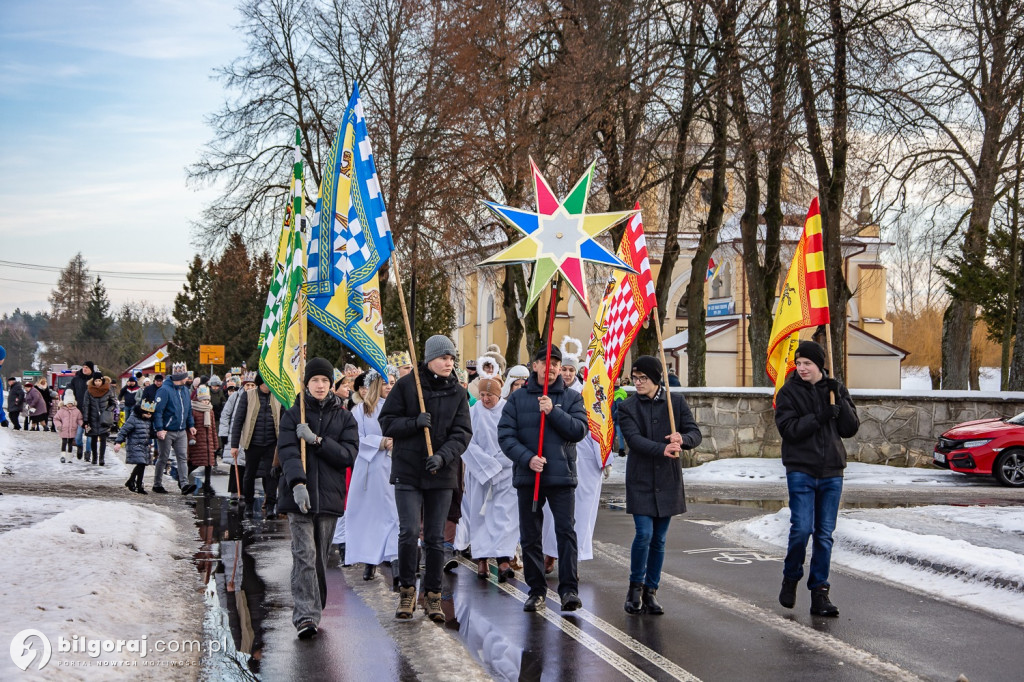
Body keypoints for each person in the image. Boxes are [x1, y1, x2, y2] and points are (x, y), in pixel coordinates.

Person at [379, 335, 472, 622]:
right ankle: (407, 590)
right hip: (408, 470)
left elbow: (462, 433)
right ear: (430, 358)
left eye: (452, 358)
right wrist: (413, 423)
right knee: (408, 532)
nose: (449, 363)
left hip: (441, 474)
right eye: (444, 357)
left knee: (434, 538)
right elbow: (387, 421)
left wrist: (443, 457)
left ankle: (433, 596)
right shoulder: (408, 386)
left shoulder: (457, 392)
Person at [498, 344, 588, 613]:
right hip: (530, 477)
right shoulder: (518, 398)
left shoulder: (571, 398)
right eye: (545, 363)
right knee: (530, 535)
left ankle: (569, 590)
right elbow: (506, 436)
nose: (551, 369)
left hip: (561, 477)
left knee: (565, 533)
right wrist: (527, 458)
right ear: (534, 366)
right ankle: (536, 591)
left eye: (556, 364)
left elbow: (578, 430)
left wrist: (553, 411)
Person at [775, 340, 859, 617]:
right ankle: (791, 576)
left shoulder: (834, 389)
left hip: (832, 470)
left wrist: (841, 400)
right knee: (801, 528)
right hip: (801, 469)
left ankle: (820, 592)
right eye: (798, 363)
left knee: (824, 534)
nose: (801, 368)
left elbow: (849, 429)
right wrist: (820, 416)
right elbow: (789, 429)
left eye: (807, 363)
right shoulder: (788, 392)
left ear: (820, 365)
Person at [277, 357, 359, 639]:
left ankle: (314, 605)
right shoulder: (292, 415)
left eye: (325, 380)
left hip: (329, 498)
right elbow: (287, 451)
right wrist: (297, 483)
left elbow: (348, 455)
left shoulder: (345, 417)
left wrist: (317, 441)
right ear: (306, 383)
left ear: (331, 383)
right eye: (315, 380)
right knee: (304, 556)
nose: (320, 385)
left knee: (320, 558)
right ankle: (305, 616)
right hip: (298, 496)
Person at [617, 355, 702, 615]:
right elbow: (634, 439)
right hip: (641, 478)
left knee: (660, 538)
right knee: (644, 533)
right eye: (635, 378)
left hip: (667, 479)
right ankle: (634, 587)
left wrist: (683, 438)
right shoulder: (628, 406)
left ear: (656, 379)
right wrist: (662, 448)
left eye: (643, 378)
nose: (638, 383)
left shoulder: (675, 402)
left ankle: (651, 590)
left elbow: (694, 433)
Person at [542, 338, 603, 572]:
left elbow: (598, 426)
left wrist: (603, 457)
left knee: (580, 511)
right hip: (557, 458)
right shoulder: (549, 391)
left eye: (570, 370)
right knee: (552, 512)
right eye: (563, 369)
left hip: (585, 460)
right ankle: (550, 552)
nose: (566, 373)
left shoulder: (587, 393)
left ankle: (572, 561)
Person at [460, 376, 519, 581]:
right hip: (479, 475)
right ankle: (482, 559)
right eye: (482, 395)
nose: (485, 399)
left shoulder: (508, 410)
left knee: (505, 517)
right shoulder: (472, 412)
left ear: (498, 394)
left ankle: (503, 560)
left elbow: (514, 438)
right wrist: (487, 465)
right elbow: (465, 440)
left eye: (490, 395)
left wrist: (499, 462)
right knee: (480, 516)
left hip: (505, 473)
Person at [345, 366, 400, 582]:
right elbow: (355, 438)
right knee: (372, 517)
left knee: (395, 517)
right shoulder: (360, 411)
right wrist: (381, 442)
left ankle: (396, 564)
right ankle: (369, 560)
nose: (389, 386)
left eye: (393, 383)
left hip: (396, 468)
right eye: (385, 382)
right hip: (370, 470)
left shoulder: (401, 407)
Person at [230, 372, 282, 516]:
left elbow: (283, 419)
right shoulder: (247, 395)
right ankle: (248, 504)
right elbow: (238, 421)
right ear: (260, 382)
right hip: (252, 443)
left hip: (272, 442)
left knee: (271, 474)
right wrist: (234, 445)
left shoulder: (278, 396)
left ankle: (271, 505)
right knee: (249, 475)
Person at [153, 364, 198, 494]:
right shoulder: (164, 390)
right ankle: (157, 484)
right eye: (186, 376)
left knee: (182, 457)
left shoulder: (184, 390)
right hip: (167, 430)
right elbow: (158, 412)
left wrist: (191, 425)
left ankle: (184, 485)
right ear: (181, 377)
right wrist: (159, 429)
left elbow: (188, 410)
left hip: (181, 430)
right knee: (163, 457)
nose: (187, 379)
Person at [113, 399, 157, 494]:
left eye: (151, 414)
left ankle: (132, 481)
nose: (149, 416)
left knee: (142, 464)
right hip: (134, 445)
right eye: (147, 413)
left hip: (144, 445)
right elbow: (123, 431)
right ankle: (138, 484)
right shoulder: (133, 419)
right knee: (141, 463)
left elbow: (150, 433)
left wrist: (158, 434)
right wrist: (118, 442)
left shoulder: (148, 420)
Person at [221, 376, 248, 504]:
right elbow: (225, 414)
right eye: (247, 385)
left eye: (252, 385)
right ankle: (234, 491)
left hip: (251, 433)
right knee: (236, 462)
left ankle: (246, 491)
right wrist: (224, 433)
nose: (250, 388)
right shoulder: (236, 396)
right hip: (236, 432)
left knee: (249, 464)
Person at [188, 385, 219, 495]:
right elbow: (190, 426)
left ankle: (207, 484)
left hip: (208, 441)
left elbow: (213, 428)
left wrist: (215, 443)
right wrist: (192, 438)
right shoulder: (194, 410)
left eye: (207, 400)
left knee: (209, 464)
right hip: (198, 441)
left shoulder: (210, 411)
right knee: (194, 463)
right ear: (199, 399)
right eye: (204, 400)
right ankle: (182, 479)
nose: (206, 402)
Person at [82, 373, 118, 465]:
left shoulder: (108, 390)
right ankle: (94, 457)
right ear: (93, 381)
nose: (98, 383)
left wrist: (108, 411)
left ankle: (101, 458)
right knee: (93, 438)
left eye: (99, 381)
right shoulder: (89, 391)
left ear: (102, 381)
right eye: (96, 381)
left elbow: (113, 403)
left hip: (104, 419)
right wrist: (85, 420)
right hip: (92, 418)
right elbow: (86, 406)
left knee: (103, 439)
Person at [53, 393, 83, 461]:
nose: (69, 405)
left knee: (70, 443)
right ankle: (63, 456)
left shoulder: (76, 411)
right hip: (64, 429)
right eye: (68, 403)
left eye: (71, 403)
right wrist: (59, 425)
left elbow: (79, 419)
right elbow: (56, 419)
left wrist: (82, 425)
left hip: (72, 429)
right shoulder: (61, 411)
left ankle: (69, 457)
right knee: (64, 442)